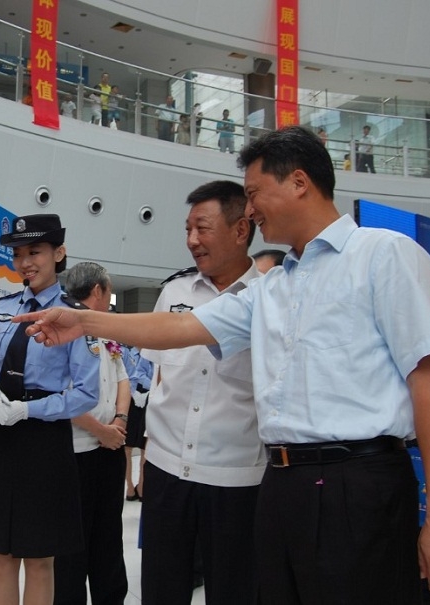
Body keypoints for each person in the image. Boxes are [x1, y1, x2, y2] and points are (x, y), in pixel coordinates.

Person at [18, 126, 430, 603]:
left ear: (299, 182)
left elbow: (429, 383)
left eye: (254, 194)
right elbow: (182, 327)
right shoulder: (272, 288)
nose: (250, 210)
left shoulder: (383, 255)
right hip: (280, 485)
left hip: (356, 482)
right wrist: (84, 320)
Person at [139, 180, 264, 605]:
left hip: (236, 478)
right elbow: (161, 377)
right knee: (162, 588)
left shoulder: (268, 298)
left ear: (241, 229)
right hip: (167, 469)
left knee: (234, 591)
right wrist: (149, 450)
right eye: (188, 229)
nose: (192, 240)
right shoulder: (175, 292)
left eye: (203, 228)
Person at [0, 213, 100, 605]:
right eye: (18, 254)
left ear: (59, 253)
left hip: (44, 439)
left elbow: (87, 393)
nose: (25, 262)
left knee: (40, 559)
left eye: (35, 252)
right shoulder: (2, 308)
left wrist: (30, 411)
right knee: (1, 554)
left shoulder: (75, 316)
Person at [53, 262, 131, 605]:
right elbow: (57, 394)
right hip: (75, 452)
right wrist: (101, 430)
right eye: (109, 291)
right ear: (99, 290)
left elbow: (123, 378)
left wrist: (120, 420)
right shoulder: (61, 327)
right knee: (72, 543)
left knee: (109, 534)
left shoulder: (105, 329)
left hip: (109, 449)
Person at [123, 347, 151, 501]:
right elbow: (130, 375)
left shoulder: (154, 351)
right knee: (127, 447)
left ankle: (142, 486)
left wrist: (152, 389)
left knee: (145, 447)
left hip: (150, 400)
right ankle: (129, 487)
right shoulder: (126, 351)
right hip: (130, 399)